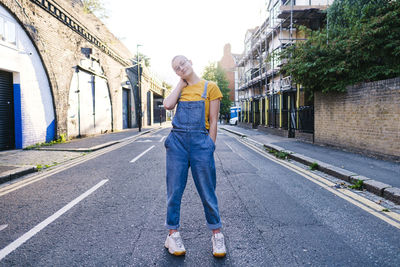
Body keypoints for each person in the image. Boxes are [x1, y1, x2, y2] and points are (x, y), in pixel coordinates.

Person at [163, 55, 226, 257]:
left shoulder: (211, 87)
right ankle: (172, 234)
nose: (181, 68)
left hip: (201, 143)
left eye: (183, 63)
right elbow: (167, 105)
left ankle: (217, 235)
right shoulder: (180, 89)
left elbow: (213, 120)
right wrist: (180, 85)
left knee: (207, 191)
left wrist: (210, 145)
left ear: (190, 61)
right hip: (177, 144)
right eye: (177, 68)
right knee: (174, 190)